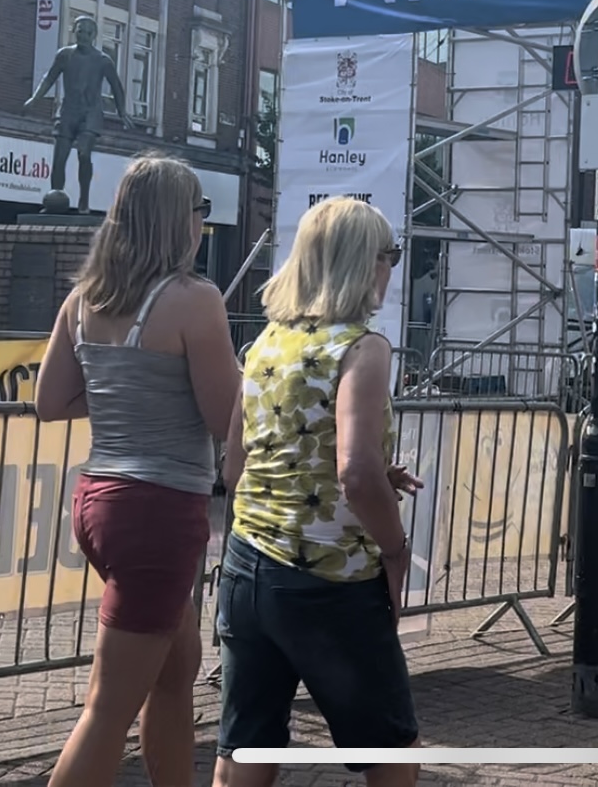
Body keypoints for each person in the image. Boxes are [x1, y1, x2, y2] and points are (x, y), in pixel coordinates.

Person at [34, 156, 241, 787]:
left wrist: (126, 392)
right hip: (159, 508)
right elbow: (222, 416)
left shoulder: (84, 300)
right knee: (108, 708)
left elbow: (49, 402)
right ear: (177, 221)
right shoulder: (194, 299)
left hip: (100, 497)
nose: (203, 224)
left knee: (175, 674)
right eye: (199, 211)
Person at [214, 197, 421, 787]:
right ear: (365, 263)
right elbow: (355, 472)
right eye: (392, 256)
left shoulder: (264, 345)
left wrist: (368, 475)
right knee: (392, 746)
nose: (393, 268)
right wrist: (396, 549)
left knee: (246, 748)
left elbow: (237, 464)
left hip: (248, 564)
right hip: (329, 580)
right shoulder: (363, 348)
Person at [27, 17, 129, 212]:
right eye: (80, 31)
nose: (83, 36)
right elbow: (49, 78)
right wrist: (35, 98)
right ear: (74, 31)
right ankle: (55, 200)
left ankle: (84, 201)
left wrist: (122, 111)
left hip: (90, 114)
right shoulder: (64, 55)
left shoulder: (102, 61)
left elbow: (116, 87)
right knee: (59, 159)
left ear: (94, 36)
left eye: (88, 33)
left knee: (84, 154)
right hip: (67, 112)